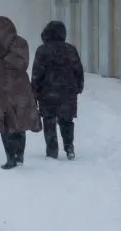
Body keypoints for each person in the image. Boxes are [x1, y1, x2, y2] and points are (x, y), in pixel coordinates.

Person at [0, 16, 42, 169]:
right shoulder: (12, 44)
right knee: (12, 123)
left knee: (12, 123)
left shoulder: (14, 44)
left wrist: (0, 60)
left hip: (11, 88)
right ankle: (14, 157)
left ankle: (15, 157)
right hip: (13, 88)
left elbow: (19, 64)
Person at [31, 21, 84, 160]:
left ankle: (52, 151)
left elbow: (37, 73)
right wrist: (79, 87)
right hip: (68, 93)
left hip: (48, 93)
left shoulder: (42, 50)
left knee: (49, 121)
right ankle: (69, 147)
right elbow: (78, 70)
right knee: (67, 120)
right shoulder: (71, 49)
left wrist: (34, 92)